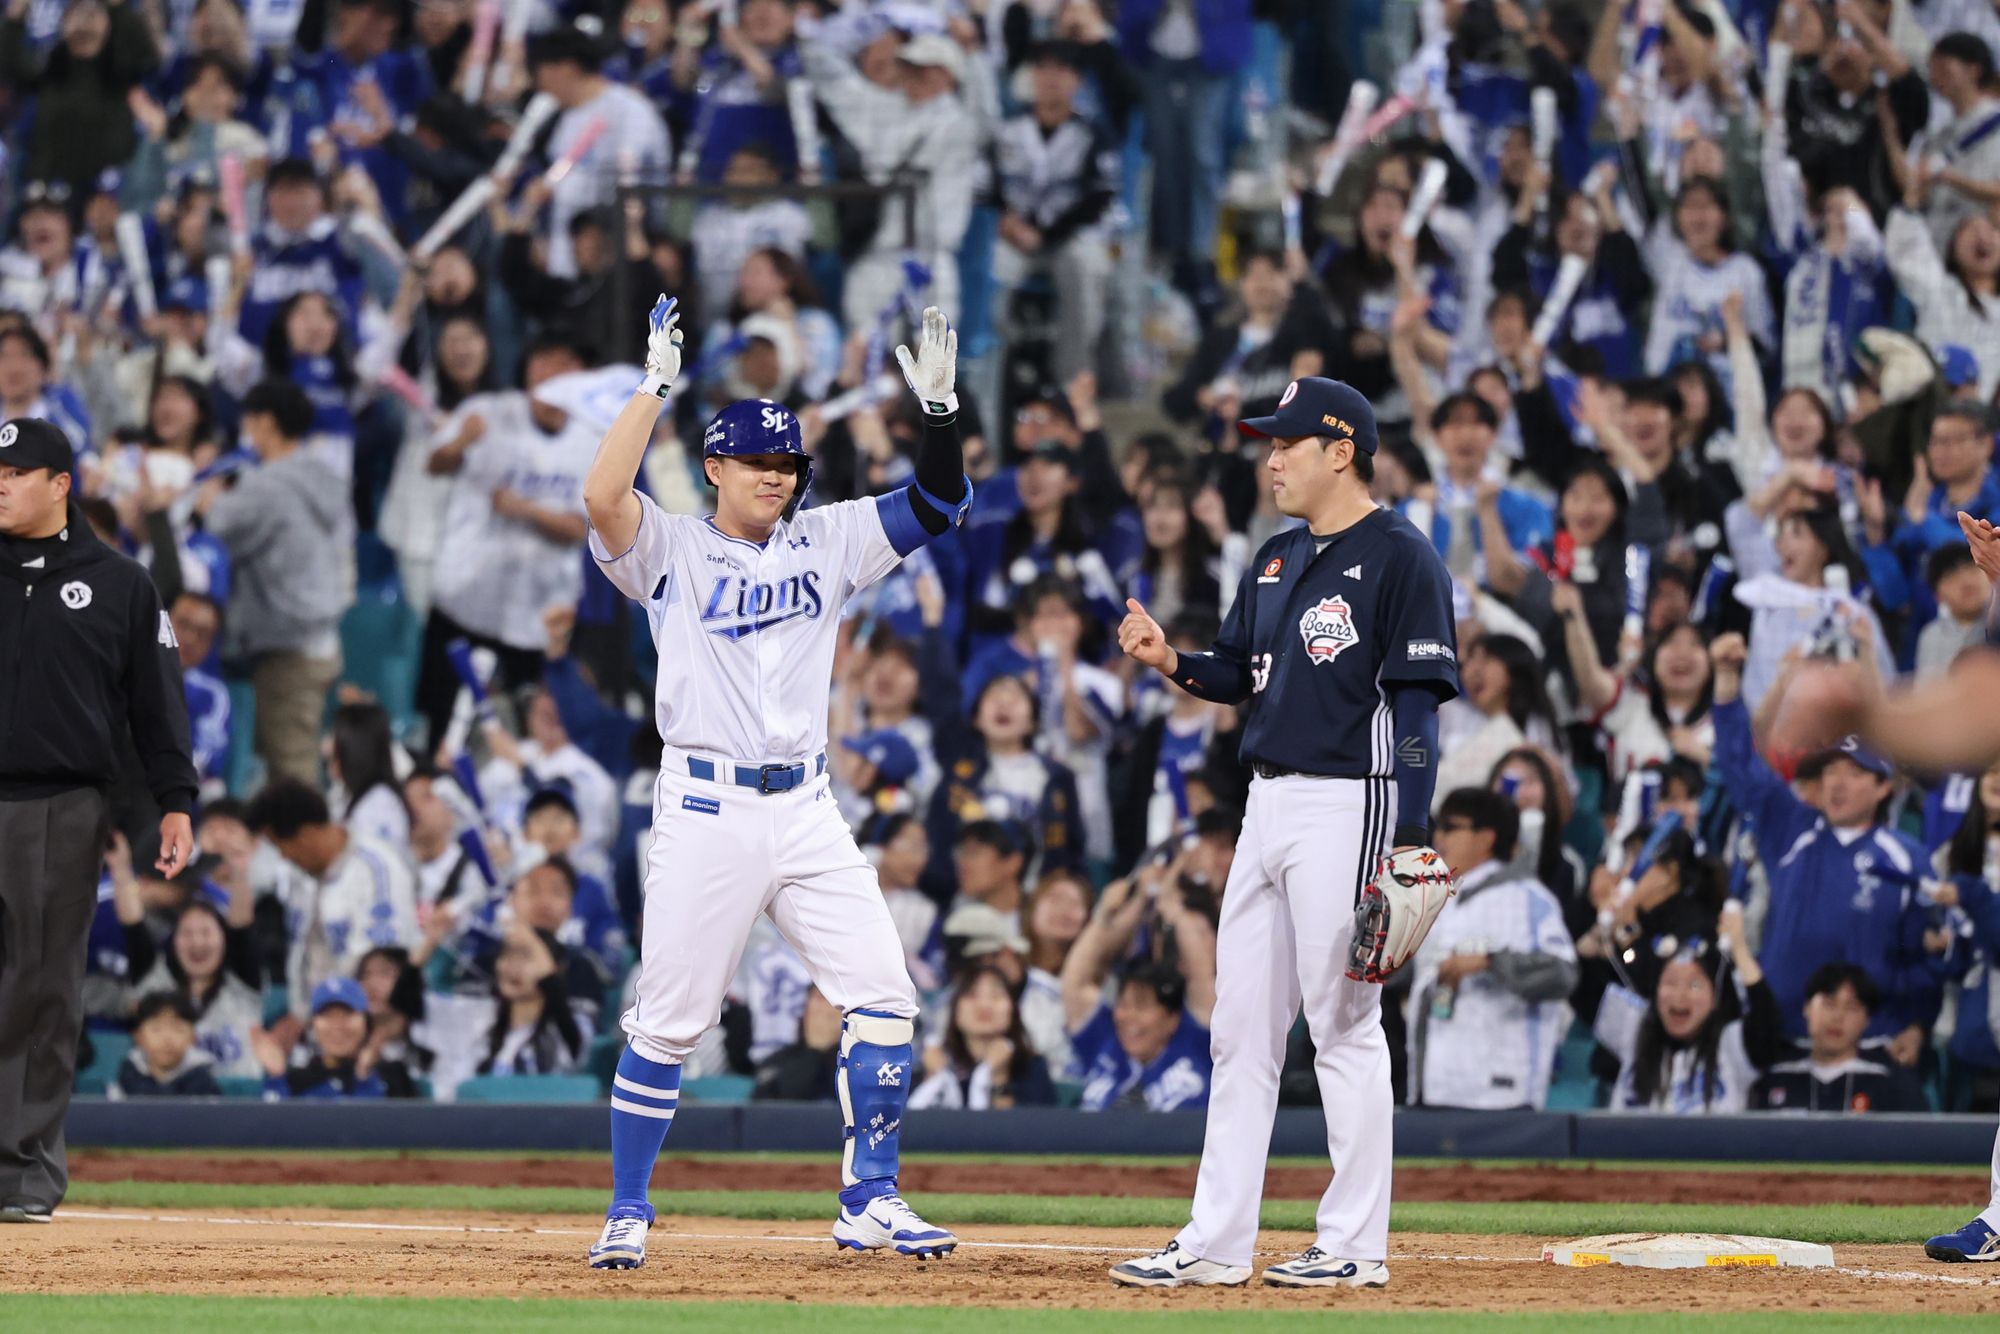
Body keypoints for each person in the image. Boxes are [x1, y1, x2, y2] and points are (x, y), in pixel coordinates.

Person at [577, 297, 970, 1269]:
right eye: (756, 463)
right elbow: (598, 497)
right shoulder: (668, 547)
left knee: (884, 992)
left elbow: (937, 504)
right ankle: (628, 1204)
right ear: (713, 466)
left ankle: (870, 1199)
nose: (774, 477)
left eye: (786, 464)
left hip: (802, 804)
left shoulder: (828, 538)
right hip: (705, 804)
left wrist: (941, 418)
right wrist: (650, 390)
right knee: (666, 1022)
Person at [1111, 376, 1458, 1290]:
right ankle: (1217, 1242)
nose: (1270, 457)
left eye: (1287, 443)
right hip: (1265, 804)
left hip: (1354, 800)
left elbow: (1417, 710)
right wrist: (1171, 661)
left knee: (1343, 1025)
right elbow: (1236, 674)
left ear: (1340, 450)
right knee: (1240, 1035)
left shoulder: (1401, 556)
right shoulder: (1274, 556)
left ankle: (1353, 1244)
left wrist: (1413, 836)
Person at [0, 416, 196, 1224]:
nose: (1, 486)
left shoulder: (120, 584)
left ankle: (24, 1176)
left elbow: (158, 704)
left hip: (60, 804)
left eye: (14, 474)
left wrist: (177, 801)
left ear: (59, 484)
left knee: (44, 993)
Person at [193, 381, 347, 786]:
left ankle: (305, 846)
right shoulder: (320, 474)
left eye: (249, 422)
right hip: (319, 637)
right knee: (288, 762)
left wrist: (208, 495)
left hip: (290, 647)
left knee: (292, 772)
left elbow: (218, 524)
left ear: (266, 423)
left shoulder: (267, 485)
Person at [1404, 790, 1577, 1111]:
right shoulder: (1440, 901)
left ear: (1486, 838)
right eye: (1438, 827)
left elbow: (1561, 974)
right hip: (1434, 1088)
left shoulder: (1527, 898)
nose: (1438, 837)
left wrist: (1490, 962)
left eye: (1451, 827)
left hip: (1501, 1094)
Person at [244, 779, 420, 1025]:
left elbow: (381, 970)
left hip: (360, 1026)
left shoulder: (377, 869)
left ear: (305, 834)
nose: (283, 856)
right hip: (314, 1026)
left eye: (279, 846)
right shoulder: (300, 875)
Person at [1755, 963, 1926, 1113]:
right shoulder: (1776, 1076)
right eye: (1829, 1004)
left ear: (1867, 1020)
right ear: (1806, 1008)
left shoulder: (1891, 1082)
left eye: (1851, 1008)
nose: (1838, 1017)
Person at [908, 962, 1058, 1110]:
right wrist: (932, 1077)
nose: (984, 1005)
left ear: (1012, 1010)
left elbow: (1034, 1130)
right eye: (972, 995)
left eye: (996, 995)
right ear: (956, 1011)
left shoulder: (1031, 1068)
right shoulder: (934, 1065)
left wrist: (1000, 1078)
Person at [112, 991, 222, 1099]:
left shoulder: (201, 1075)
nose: (167, 1039)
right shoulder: (129, 1070)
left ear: (193, 1037)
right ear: (138, 1037)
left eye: (178, 1029)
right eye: (156, 1029)